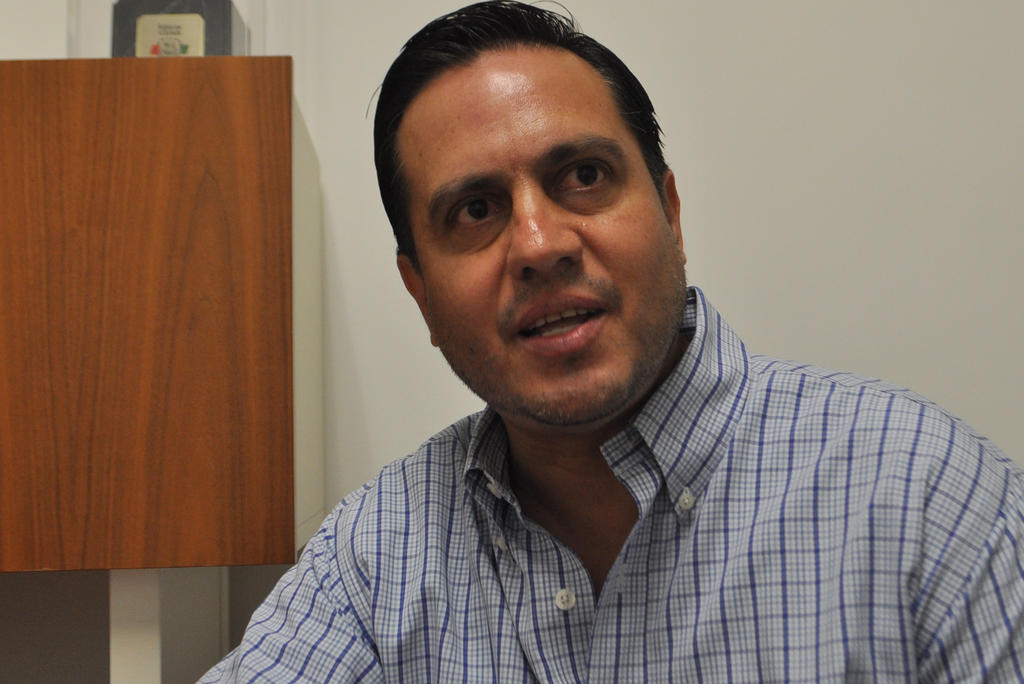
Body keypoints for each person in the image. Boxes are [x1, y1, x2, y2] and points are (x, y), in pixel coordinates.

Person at [202, 2, 1024, 681]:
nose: (539, 244)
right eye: (476, 210)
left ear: (671, 213)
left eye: (583, 176)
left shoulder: (925, 500)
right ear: (420, 292)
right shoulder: (374, 559)